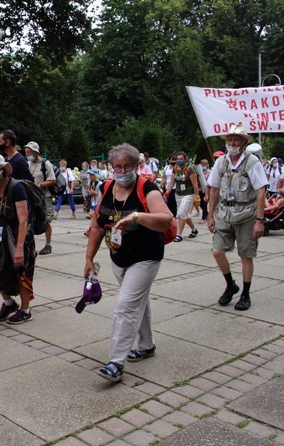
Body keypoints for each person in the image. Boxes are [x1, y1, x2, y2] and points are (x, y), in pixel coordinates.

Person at [85, 143, 173, 382]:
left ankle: (116, 362)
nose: (121, 171)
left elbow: (166, 220)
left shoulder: (148, 188)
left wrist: (137, 216)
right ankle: (146, 345)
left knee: (125, 306)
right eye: (117, 167)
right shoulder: (106, 187)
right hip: (118, 257)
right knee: (137, 300)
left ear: (137, 166)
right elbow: (96, 225)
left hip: (145, 257)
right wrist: (89, 258)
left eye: (127, 166)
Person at [206, 124, 267, 311]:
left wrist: (259, 220)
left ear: (243, 143)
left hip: (247, 214)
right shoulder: (221, 162)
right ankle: (230, 285)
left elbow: (260, 191)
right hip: (225, 212)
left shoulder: (252, 163)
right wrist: (210, 215)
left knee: (245, 255)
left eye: (236, 140)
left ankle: (245, 294)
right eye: (230, 139)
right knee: (217, 251)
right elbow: (214, 189)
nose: (232, 143)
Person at [0, 154, 36, 324]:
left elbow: (23, 220)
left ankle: (25, 310)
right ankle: (9, 302)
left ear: (1, 172)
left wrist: (19, 249)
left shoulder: (16, 188)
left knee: (21, 271)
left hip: (20, 236)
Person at [25, 141, 56, 255]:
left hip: (44, 197)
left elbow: (52, 180)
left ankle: (48, 245)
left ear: (35, 152)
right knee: (31, 220)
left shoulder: (45, 164)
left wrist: (39, 185)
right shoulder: (28, 164)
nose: (27, 155)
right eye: (26, 152)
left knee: (46, 221)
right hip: (32, 197)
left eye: (29, 152)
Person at [164, 152, 199, 241]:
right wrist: (166, 193)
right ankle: (194, 229)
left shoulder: (189, 169)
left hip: (188, 194)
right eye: (178, 159)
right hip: (178, 194)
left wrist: (197, 197)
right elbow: (172, 182)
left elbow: (195, 185)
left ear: (185, 159)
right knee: (185, 214)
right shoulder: (175, 169)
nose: (179, 161)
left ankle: (179, 234)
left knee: (180, 214)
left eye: (181, 159)